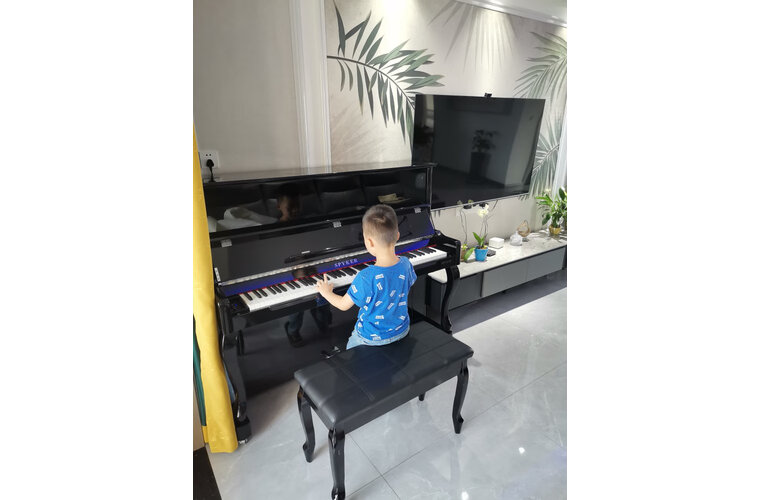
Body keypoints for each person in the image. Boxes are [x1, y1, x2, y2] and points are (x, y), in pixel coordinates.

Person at [316, 204, 416, 349]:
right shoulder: (406, 264)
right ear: (398, 235)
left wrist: (326, 293)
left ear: (369, 242)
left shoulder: (366, 277)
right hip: (401, 329)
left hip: (371, 338)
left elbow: (343, 305)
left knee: (350, 347)